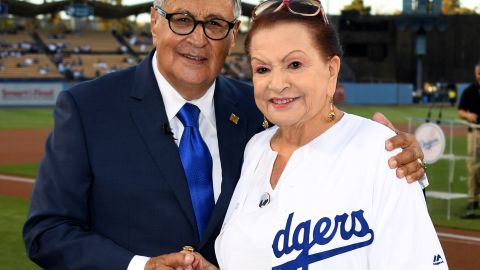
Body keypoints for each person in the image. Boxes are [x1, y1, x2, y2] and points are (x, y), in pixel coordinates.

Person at [23, 0, 425, 269]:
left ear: (233, 37)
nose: (198, 38)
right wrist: (140, 267)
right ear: (154, 23)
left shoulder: (259, 113)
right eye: (182, 19)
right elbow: (47, 231)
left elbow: (324, 131)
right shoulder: (88, 107)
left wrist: (392, 155)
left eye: (215, 24)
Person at [186, 0, 446, 269]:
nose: (277, 83)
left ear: (331, 69)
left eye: (295, 64)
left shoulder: (383, 152)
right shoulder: (254, 149)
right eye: (262, 69)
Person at [458, 61, 480, 212]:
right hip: (475, 133)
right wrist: (468, 115)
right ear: (475, 74)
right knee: (472, 167)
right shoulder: (469, 91)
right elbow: (460, 111)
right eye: (479, 73)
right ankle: (472, 199)